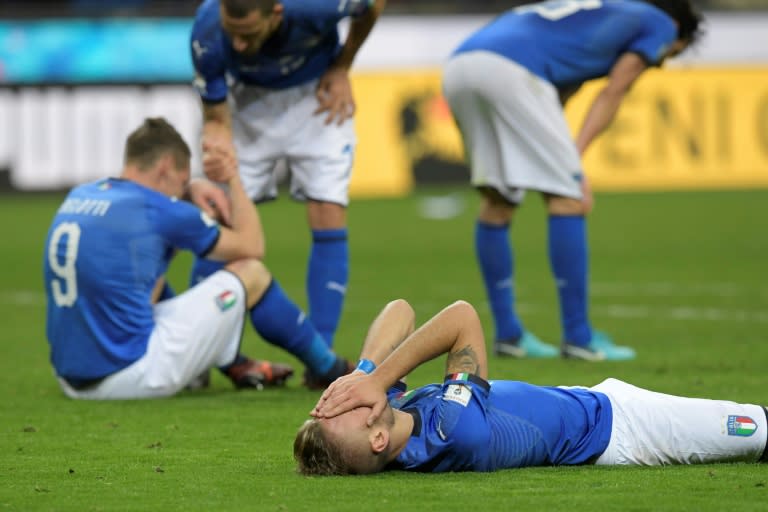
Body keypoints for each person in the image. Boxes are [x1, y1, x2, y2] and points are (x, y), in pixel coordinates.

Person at [440, 0, 702, 360]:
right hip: (513, 72)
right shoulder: (660, 23)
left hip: (460, 67)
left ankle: (509, 335)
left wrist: (559, 156)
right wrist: (573, 163)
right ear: (678, 29)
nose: (660, 61)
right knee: (570, 198)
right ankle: (579, 337)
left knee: (498, 200)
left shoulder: (600, 17)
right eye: (669, 54)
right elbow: (614, 90)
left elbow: (560, 89)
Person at [43, 117, 352, 399]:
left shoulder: (82, 195)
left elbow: (142, 271)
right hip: (130, 375)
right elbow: (252, 245)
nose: (181, 192)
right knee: (251, 273)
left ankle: (232, 363)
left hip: (70, 381)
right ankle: (328, 367)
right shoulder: (157, 209)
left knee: (143, 276)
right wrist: (232, 178)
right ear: (166, 166)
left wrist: (187, 190)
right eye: (181, 181)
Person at [296, 299, 768, 475]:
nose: (343, 402)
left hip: (591, 401)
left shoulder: (398, 419)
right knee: (758, 429)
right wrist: (376, 379)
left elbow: (400, 309)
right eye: (343, 414)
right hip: (624, 431)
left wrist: (362, 371)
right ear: (377, 439)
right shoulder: (450, 432)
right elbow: (461, 317)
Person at [188, 0, 386, 380]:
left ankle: (321, 358)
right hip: (248, 103)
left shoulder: (317, 5)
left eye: (248, 34)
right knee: (222, 218)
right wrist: (217, 143)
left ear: (277, 13)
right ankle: (199, 356)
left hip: (318, 97)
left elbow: (372, 4)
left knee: (327, 208)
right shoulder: (208, 30)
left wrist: (342, 66)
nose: (240, 45)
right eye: (234, 33)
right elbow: (214, 115)